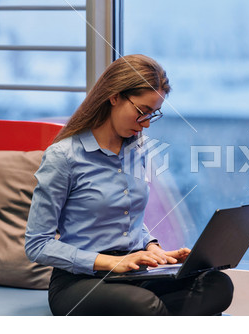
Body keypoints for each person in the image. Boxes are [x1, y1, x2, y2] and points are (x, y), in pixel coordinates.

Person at [25, 54, 233, 316]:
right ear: (114, 96)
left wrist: (153, 248)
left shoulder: (138, 149)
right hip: (80, 281)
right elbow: (37, 245)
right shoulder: (64, 156)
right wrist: (114, 262)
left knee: (216, 285)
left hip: (134, 272)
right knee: (143, 305)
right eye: (141, 112)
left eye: (152, 114)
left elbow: (128, 217)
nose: (145, 123)